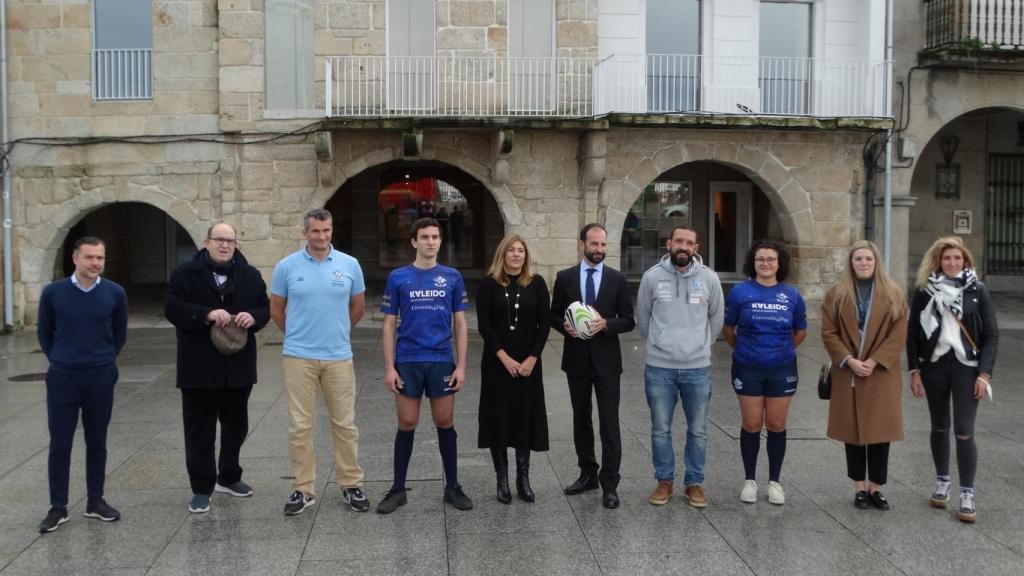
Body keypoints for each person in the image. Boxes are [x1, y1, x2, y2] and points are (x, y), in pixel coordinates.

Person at [164, 222, 270, 514]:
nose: (225, 245)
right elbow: (172, 308)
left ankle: (229, 476)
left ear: (236, 243)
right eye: (219, 239)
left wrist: (254, 317)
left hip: (238, 366)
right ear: (206, 241)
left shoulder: (249, 275)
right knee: (200, 430)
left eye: (230, 240)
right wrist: (206, 313)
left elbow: (265, 308)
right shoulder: (185, 274)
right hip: (199, 367)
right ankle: (201, 487)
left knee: (236, 427)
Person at [270, 209, 370, 515]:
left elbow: (357, 308)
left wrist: (335, 333)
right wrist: (299, 337)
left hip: (338, 357)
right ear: (305, 233)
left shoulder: (349, 265)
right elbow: (276, 309)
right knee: (300, 426)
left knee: (345, 424)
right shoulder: (286, 267)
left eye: (326, 231)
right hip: (299, 357)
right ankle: (303, 489)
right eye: (315, 231)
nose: (322, 236)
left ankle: (351, 484)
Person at [377, 218, 473, 514]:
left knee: (444, 421)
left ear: (440, 241)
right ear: (414, 242)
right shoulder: (398, 277)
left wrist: (461, 366)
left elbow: (460, 323)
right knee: (407, 422)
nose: (431, 242)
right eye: (425, 237)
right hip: (407, 360)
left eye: (435, 237)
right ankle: (397, 488)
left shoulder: (453, 277)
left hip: (441, 359)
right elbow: (389, 324)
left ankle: (453, 486)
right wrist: (389, 367)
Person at [37, 236, 127, 533]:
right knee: (60, 443)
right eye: (89, 257)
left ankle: (95, 500)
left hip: (100, 376)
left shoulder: (115, 293)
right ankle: (58, 506)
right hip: (63, 376)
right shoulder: (53, 293)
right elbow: (45, 332)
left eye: (100, 258)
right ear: (75, 258)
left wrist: (101, 360)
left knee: (97, 441)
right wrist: (62, 359)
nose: (95, 263)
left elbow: (119, 335)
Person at [907, 236, 998, 523]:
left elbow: (992, 335)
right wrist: (914, 370)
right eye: (947, 258)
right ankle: (942, 482)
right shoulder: (924, 291)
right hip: (934, 365)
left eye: (957, 258)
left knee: (963, 429)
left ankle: (967, 494)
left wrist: (984, 374)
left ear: (965, 261)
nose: (952, 262)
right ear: (938, 261)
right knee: (939, 425)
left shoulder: (977, 291)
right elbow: (912, 334)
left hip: (966, 368)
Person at [636, 226, 724, 508]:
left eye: (689, 242)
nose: (683, 246)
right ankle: (664, 481)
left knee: (698, 429)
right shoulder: (652, 278)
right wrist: (662, 344)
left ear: (696, 247)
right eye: (678, 241)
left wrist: (698, 346)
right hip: (659, 368)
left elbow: (716, 319)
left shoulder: (709, 279)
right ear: (669, 244)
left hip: (697, 368)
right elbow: (644, 319)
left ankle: (694, 483)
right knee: (660, 428)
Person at [550, 223, 635, 509]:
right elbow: (553, 315)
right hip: (576, 360)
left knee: (609, 423)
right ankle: (587, 474)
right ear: (582, 244)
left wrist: (606, 324)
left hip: (608, 362)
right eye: (594, 244)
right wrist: (565, 326)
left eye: (603, 245)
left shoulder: (617, 279)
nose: (599, 250)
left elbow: (628, 319)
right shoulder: (564, 278)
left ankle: (610, 483)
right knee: (581, 420)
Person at [821, 240, 907, 511]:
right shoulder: (837, 294)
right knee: (853, 431)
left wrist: (875, 360)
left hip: (880, 372)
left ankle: (876, 488)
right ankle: (859, 487)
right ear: (851, 262)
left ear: (876, 261)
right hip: (849, 372)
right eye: (858, 259)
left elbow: (898, 333)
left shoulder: (893, 293)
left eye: (868, 259)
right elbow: (828, 332)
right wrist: (848, 360)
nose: (863, 263)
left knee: (881, 432)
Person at [722, 239, 806, 506]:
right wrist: (748, 350)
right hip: (748, 367)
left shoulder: (792, 295)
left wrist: (778, 350)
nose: (766, 263)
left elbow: (799, 332)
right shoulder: (739, 293)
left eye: (771, 259)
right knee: (751, 424)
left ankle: (775, 482)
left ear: (779, 263)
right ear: (753, 263)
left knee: (777, 424)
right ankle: (749, 481)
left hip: (782, 367)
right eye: (760, 259)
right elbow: (728, 330)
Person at [477, 235, 551, 504]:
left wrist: (532, 358)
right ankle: (502, 479)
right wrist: (504, 358)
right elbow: (484, 325)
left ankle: (523, 478)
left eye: (521, 250)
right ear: (503, 254)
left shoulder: (537, 283)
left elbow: (544, 324)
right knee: (498, 418)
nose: (517, 255)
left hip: (529, 364)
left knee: (524, 417)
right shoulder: (488, 284)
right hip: (498, 364)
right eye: (512, 250)